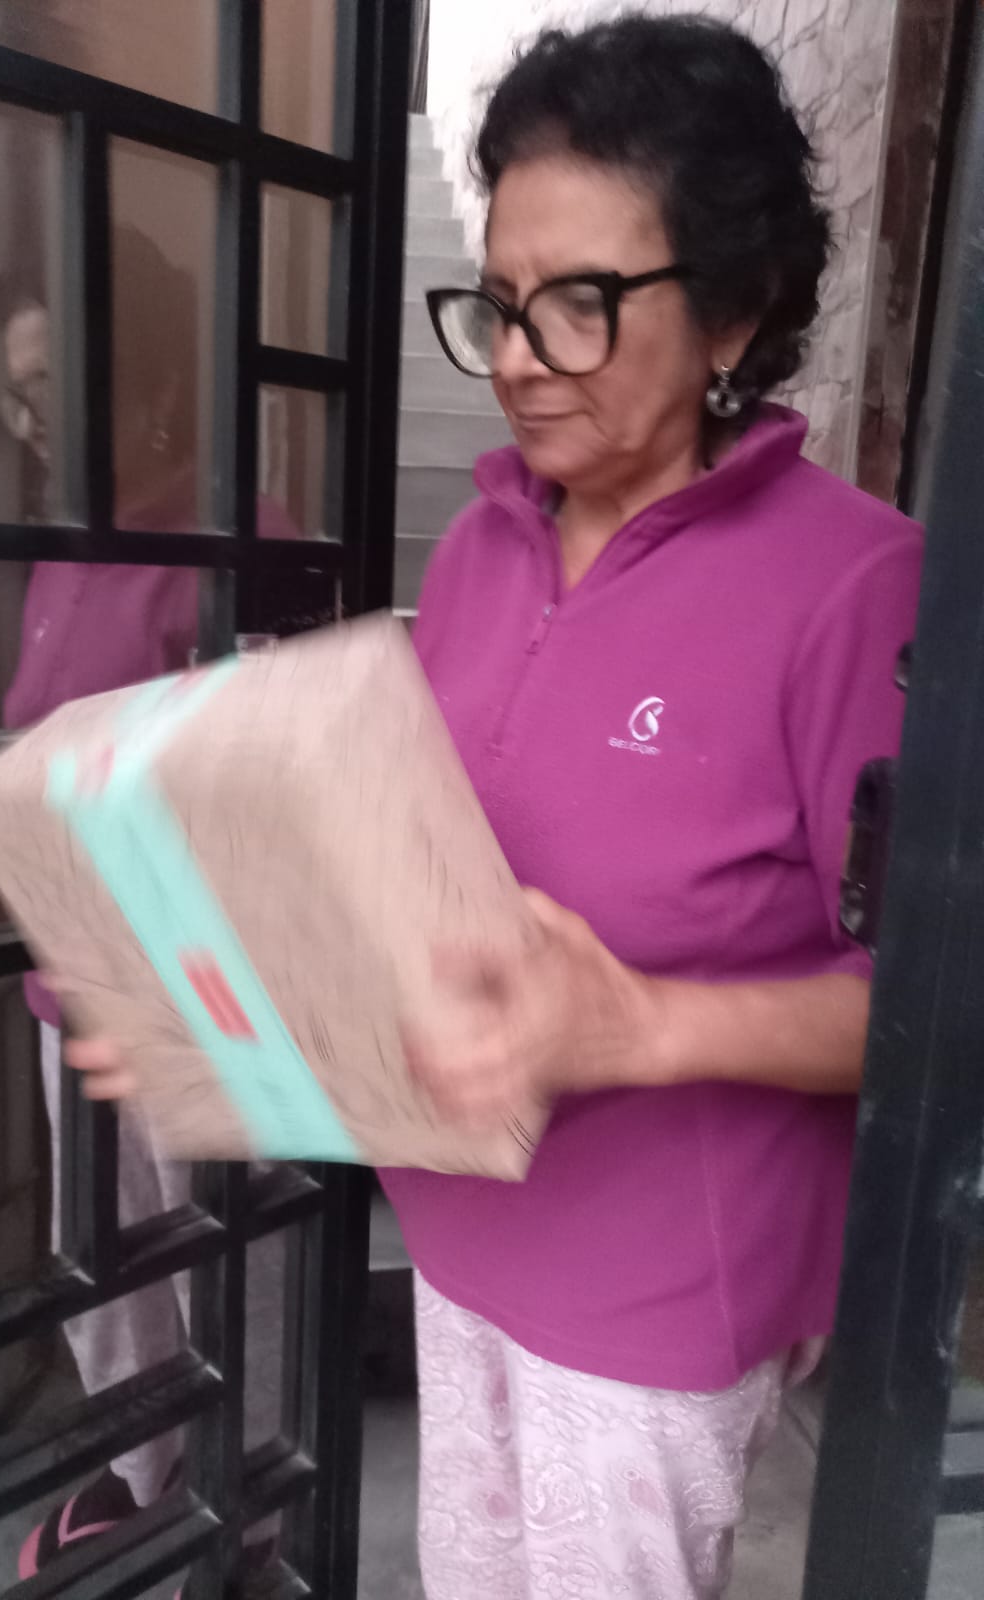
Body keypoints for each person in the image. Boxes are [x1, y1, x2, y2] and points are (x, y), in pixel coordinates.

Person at [72, 17, 923, 1600]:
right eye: (501, 303)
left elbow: (935, 1008)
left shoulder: (857, 586)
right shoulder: (478, 552)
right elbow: (434, 894)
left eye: (581, 304)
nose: (522, 358)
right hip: (461, 1237)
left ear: (736, 308)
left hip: (660, 1291)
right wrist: (236, 1007)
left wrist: (642, 1026)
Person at [0, 230, 295, 1582]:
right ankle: (144, 1467)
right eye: (16, 391)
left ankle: (254, 1513)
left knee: (231, 1274)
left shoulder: (241, 544)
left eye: (52, 385)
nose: (30, 421)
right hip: (70, 988)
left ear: (150, 381)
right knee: (108, 1272)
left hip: (198, 1002)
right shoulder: (59, 549)